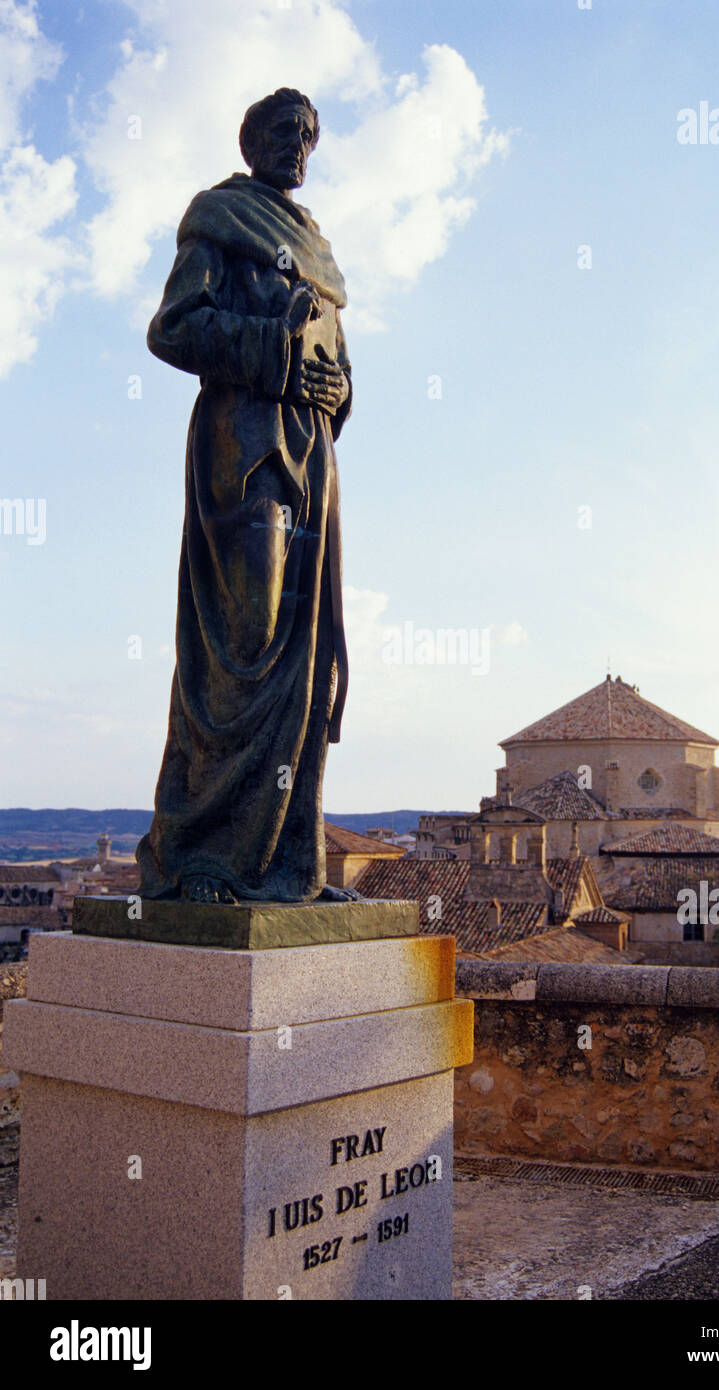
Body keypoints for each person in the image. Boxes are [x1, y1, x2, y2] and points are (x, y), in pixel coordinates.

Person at [136, 88, 358, 905]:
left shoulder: (322, 252)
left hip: (311, 456)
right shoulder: (219, 217)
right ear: (250, 138)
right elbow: (173, 328)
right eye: (280, 132)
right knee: (247, 636)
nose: (294, 146)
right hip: (243, 447)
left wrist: (333, 387)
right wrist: (271, 352)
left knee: (304, 651)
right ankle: (199, 857)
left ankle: (284, 865)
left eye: (306, 136)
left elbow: (338, 366)